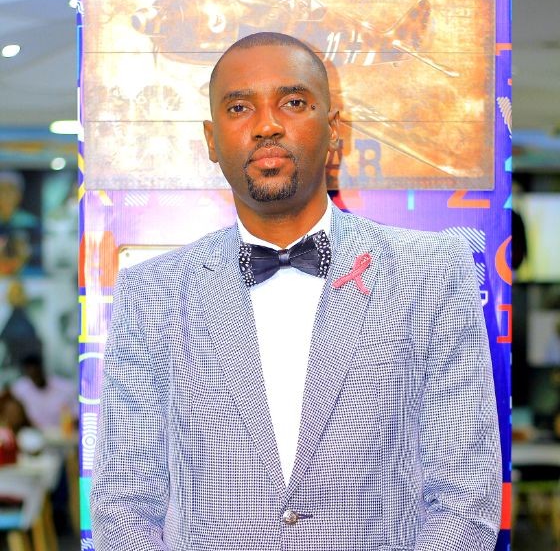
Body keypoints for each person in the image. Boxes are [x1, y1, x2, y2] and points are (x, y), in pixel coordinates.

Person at [91, 32, 501, 550]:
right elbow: (123, 504)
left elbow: (467, 495)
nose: (267, 125)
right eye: (239, 107)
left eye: (293, 102)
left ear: (333, 130)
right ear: (212, 140)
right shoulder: (152, 292)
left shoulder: (431, 273)